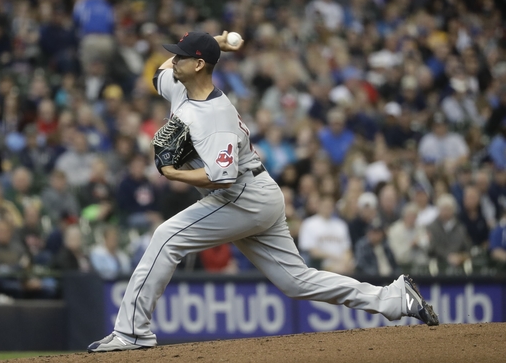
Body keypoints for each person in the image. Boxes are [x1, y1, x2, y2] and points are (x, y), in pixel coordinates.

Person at [87, 31, 438, 353]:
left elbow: (221, 178)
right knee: (297, 282)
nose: (172, 62)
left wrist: (174, 173)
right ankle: (394, 299)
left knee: (166, 236)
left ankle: (133, 331)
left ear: (198, 65)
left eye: (180, 57)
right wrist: (215, 42)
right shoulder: (181, 85)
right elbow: (156, 74)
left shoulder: (216, 117)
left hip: (241, 195)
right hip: (258, 192)